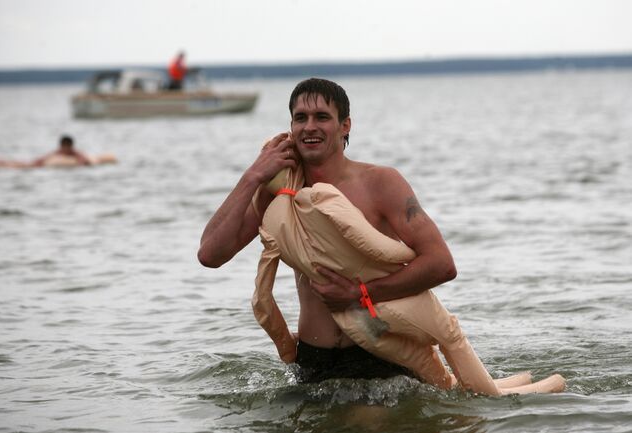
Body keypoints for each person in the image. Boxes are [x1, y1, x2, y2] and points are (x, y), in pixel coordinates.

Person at [198, 78, 565, 393]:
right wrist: (252, 176)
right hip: (315, 361)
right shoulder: (279, 189)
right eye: (300, 118)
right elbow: (211, 254)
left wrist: (359, 295)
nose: (310, 127)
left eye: (322, 117)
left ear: (345, 126)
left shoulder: (380, 183)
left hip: (383, 357)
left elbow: (442, 264)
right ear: (290, 127)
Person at [0, 135, 97, 168]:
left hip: (39, 165)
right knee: (24, 165)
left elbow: (84, 160)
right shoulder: (59, 152)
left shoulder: (73, 152)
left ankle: (1, 162)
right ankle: (0, 162)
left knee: (23, 165)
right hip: (38, 164)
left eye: (66, 146)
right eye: (64, 146)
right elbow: (44, 158)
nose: (65, 149)